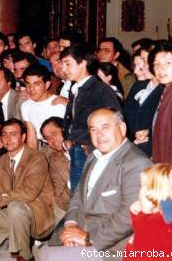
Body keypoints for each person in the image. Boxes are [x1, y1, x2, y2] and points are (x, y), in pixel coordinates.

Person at [37, 108, 152, 261]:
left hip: (112, 246)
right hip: (81, 229)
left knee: (51, 257)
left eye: (105, 127)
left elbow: (129, 217)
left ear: (122, 128)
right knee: (43, 252)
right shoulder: (94, 156)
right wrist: (71, 224)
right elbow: (78, 195)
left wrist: (88, 238)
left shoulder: (136, 163)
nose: (99, 135)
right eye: (93, 129)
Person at [0, 119, 55, 261]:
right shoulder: (2, 160)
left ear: (23, 137)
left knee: (15, 207)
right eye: (4, 134)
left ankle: (23, 255)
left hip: (38, 216)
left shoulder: (37, 158)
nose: (8, 139)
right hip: (12, 212)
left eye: (13, 134)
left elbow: (28, 192)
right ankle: (16, 235)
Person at [60, 44, 122, 190]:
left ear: (83, 63)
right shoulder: (76, 88)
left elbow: (115, 121)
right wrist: (68, 138)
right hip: (77, 149)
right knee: (78, 194)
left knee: (89, 195)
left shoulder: (99, 89)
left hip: (92, 151)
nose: (63, 69)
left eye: (68, 64)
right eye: (62, 64)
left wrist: (90, 145)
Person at [123, 164, 172, 261]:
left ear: (150, 195)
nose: (139, 191)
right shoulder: (168, 221)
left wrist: (140, 217)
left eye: (142, 186)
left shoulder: (156, 226)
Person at [123, 49, 163, 156]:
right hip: (133, 144)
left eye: (144, 62)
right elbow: (125, 114)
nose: (137, 70)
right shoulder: (138, 86)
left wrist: (147, 132)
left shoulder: (165, 89)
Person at [20, 64, 66, 149]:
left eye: (36, 84)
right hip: (44, 147)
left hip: (62, 146)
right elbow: (32, 136)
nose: (31, 89)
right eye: (28, 84)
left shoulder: (59, 104)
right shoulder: (26, 106)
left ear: (47, 84)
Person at [39, 117, 70, 215]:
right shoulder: (55, 161)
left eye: (54, 134)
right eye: (47, 138)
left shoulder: (87, 146)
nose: (51, 140)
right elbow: (61, 200)